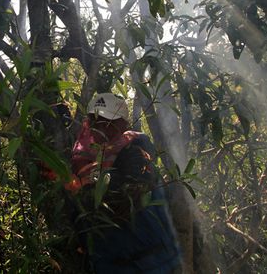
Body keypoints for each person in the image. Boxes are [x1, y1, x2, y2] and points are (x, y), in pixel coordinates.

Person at [68, 93, 182, 273]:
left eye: (108, 121)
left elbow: (124, 192)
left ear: (123, 124)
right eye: (95, 121)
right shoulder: (89, 160)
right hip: (112, 265)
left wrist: (83, 188)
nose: (101, 128)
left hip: (154, 263)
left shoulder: (135, 149)